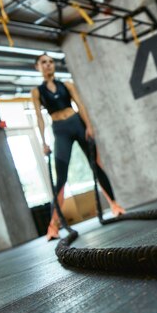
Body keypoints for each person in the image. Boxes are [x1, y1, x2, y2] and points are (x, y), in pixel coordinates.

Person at [32, 53, 125, 240]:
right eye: (44, 62)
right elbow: (39, 118)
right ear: (38, 67)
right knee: (61, 178)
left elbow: (80, 105)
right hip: (60, 129)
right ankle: (53, 226)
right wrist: (43, 142)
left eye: (51, 62)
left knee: (96, 166)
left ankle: (115, 205)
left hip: (77, 124)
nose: (48, 65)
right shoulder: (37, 92)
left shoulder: (67, 85)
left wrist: (89, 126)